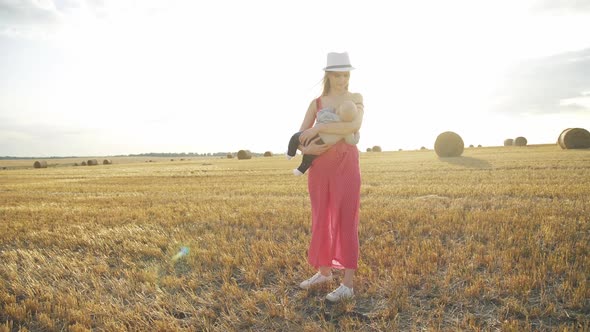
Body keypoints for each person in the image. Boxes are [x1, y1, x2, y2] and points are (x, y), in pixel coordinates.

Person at [297, 52, 364, 302]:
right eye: (338, 75)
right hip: (319, 167)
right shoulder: (316, 103)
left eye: (346, 75)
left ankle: (347, 284)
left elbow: (353, 126)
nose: (343, 80)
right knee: (321, 218)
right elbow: (301, 135)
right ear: (328, 75)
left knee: (347, 218)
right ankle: (324, 272)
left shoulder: (356, 99)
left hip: (346, 164)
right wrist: (307, 150)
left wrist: (321, 127)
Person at [286, 100, 359, 176]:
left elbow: (320, 115)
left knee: (295, 137)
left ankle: (290, 153)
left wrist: (330, 110)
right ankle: (300, 170)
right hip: (323, 144)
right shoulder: (347, 129)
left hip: (315, 136)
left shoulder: (330, 115)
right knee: (309, 157)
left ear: (338, 111)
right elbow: (352, 141)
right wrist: (357, 133)